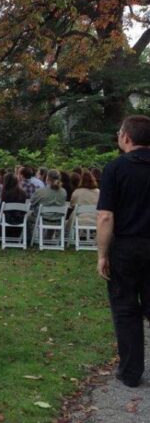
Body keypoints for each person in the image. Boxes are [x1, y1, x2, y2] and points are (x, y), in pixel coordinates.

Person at [97, 115, 150, 388]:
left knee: (126, 309)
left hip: (126, 246)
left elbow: (106, 216)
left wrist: (102, 254)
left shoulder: (115, 169)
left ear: (126, 137)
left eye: (119, 132)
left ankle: (130, 372)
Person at [0, 173, 28, 238]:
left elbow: (2, 208)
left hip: (7, 219)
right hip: (20, 219)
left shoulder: (5, 193)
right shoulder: (23, 193)